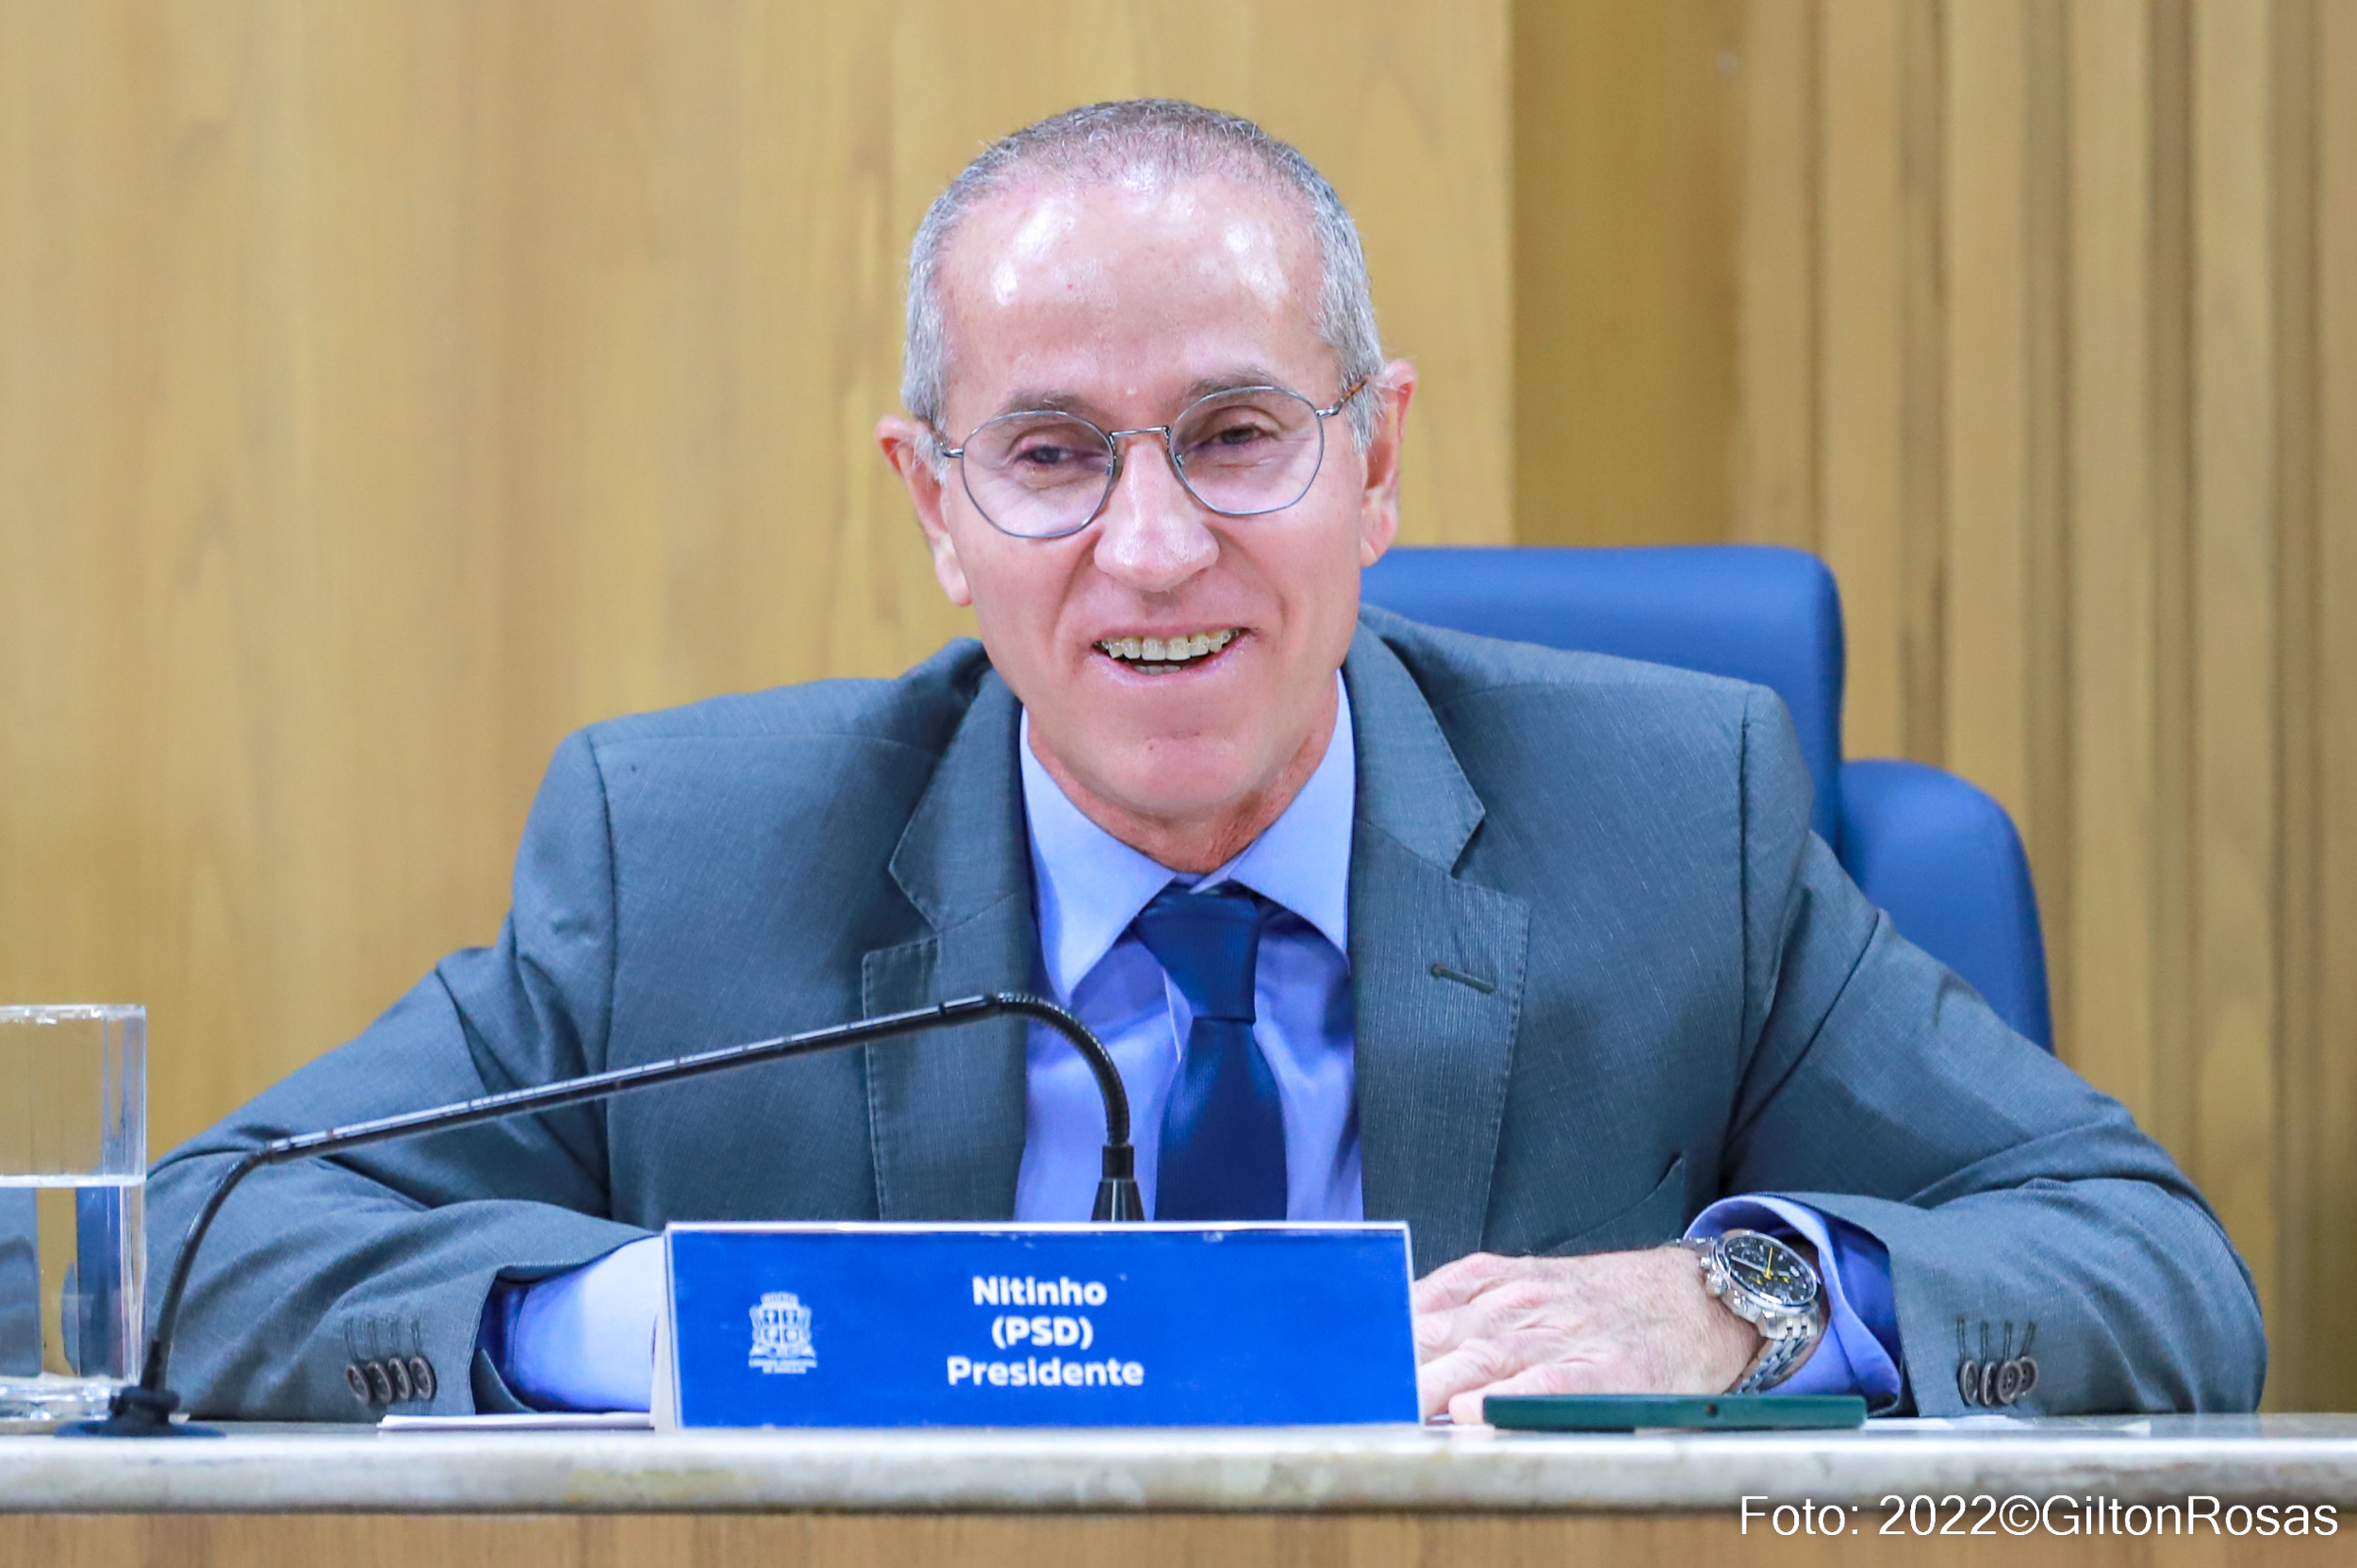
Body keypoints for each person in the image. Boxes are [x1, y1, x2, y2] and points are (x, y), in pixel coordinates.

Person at [148, 100, 2264, 1423]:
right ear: (933, 506)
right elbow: (197, 1247)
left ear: (1377, 461)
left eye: (1238, 435)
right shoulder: (689, 862)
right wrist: (669, 1324)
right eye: (1051, 454)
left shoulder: (1669, 820)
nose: (1152, 548)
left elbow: (2146, 1265)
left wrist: (1739, 1302)